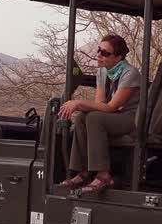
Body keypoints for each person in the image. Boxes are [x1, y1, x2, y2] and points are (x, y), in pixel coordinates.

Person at [56, 34, 144, 194]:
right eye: (98, 50)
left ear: (118, 57)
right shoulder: (102, 72)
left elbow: (111, 107)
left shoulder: (130, 73)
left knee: (94, 118)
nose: (99, 55)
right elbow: (99, 104)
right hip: (113, 117)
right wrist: (82, 108)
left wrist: (78, 103)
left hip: (130, 119)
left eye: (105, 53)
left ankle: (103, 175)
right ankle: (83, 172)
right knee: (82, 117)